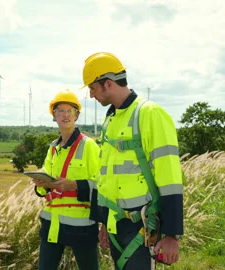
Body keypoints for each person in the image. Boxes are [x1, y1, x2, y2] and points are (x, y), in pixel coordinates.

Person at [81, 52, 184, 269]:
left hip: (143, 226)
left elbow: (170, 176)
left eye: (92, 88)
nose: (91, 95)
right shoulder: (111, 118)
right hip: (116, 226)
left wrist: (171, 234)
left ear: (107, 84)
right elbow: (106, 175)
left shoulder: (149, 114)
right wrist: (104, 222)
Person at [31, 89, 101, 270]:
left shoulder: (89, 146)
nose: (65, 115)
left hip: (82, 225)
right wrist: (41, 184)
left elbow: (103, 183)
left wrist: (75, 185)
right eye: (60, 110)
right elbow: (43, 185)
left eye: (70, 110)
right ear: (53, 115)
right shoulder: (52, 148)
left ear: (77, 115)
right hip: (52, 223)